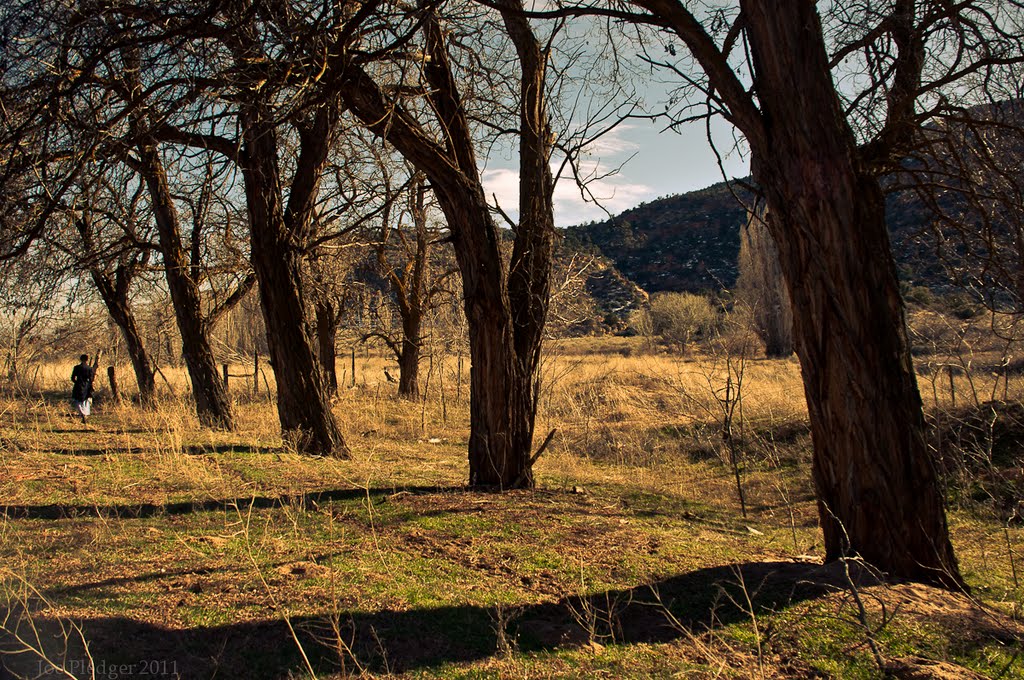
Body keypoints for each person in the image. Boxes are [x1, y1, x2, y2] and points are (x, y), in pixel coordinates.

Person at [70, 354, 95, 424]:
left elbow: (72, 378)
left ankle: (81, 414)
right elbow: (91, 379)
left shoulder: (76, 367)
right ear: (87, 360)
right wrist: (89, 385)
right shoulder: (90, 368)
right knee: (86, 401)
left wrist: (76, 382)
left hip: (78, 385)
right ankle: (85, 414)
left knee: (77, 400)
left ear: (80, 359)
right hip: (86, 386)